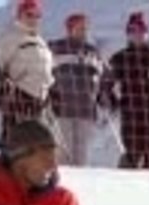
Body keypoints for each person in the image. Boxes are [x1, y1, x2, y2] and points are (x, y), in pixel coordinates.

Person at [101, 11, 149, 169]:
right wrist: (109, 99)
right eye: (132, 31)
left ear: (146, 32)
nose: (137, 35)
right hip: (131, 114)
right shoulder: (120, 58)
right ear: (128, 34)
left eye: (140, 30)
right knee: (132, 155)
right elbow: (106, 83)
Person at [48, 13, 106, 166]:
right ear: (70, 29)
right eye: (79, 28)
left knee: (81, 155)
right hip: (62, 108)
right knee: (64, 154)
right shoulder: (56, 48)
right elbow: (46, 73)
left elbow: (103, 77)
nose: (83, 31)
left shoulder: (92, 51)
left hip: (85, 109)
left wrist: (103, 95)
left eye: (85, 28)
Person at [0, 0, 54, 146]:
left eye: (37, 15)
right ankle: (3, 163)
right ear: (19, 16)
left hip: (40, 96)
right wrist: (3, 87)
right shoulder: (10, 37)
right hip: (18, 93)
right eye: (29, 15)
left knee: (32, 138)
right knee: (14, 135)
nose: (33, 19)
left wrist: (51, 89)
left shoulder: (40, 41)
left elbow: (47, 67)